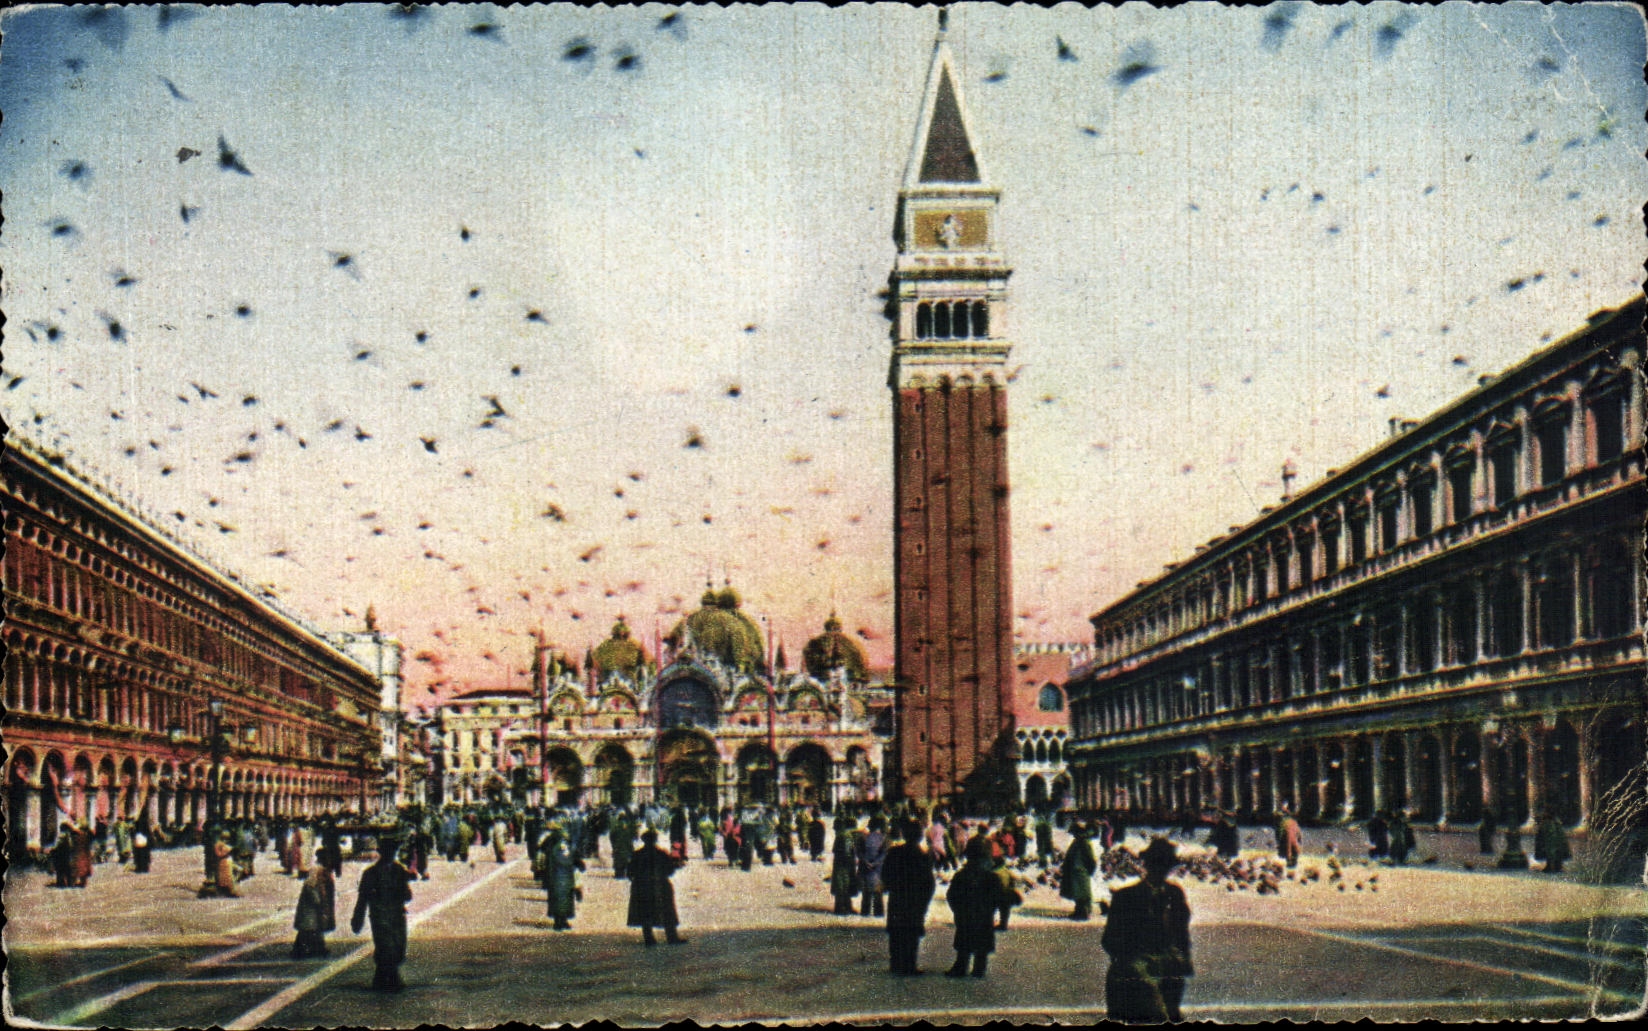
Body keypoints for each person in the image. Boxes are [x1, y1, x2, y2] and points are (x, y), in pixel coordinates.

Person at [1102, 838, 1193, 1023]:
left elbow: (1182, 934)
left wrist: (1181, 959)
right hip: (1136, 969)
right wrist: (1133, 962)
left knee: (1170, 1014)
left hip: (1167, 967)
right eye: (1157, 865)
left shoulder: (1174, 894)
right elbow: (1110, 940)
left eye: (1166, 866)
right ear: (1148, 866)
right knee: (1153, 1015)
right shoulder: (1126, 897)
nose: (1162, 871)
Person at [351, 835, 414, 991]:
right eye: (388, 851)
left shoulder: (399, 870)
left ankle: (385, 978)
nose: (391, 854)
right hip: (380, 915)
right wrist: (357, 919)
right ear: (382, 852)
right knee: (385, 946)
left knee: (398, 946)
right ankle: (388, 979)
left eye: (392, 851)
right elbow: (362, 897)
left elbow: (408, 895)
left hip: (397, 915)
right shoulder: (370, 873)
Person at [945, 836, 1009, 978]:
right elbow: (1001, 899)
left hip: (966, 917)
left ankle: (961, 967)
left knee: (964, 944)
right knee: (981, 946)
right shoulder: (992, 877)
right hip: (984, 918)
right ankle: (978, 969)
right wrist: (997, 914)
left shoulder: (962, 876)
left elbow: (951, 895)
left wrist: (958, 910)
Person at [882, 817, 935, 976]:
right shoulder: (922, 856)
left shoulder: (894, 852)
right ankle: (909, 965)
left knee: (897, 932)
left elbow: (885, 875)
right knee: (911, 933)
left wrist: (892, 887)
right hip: (915, 901)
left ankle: (895, 963)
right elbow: (928, 883)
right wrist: (925, 901)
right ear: (920, 836)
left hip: (897, 899)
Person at [626, 829, 686, 945]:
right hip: (660, 885)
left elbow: (630, 872)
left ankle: (649, 939)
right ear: (655, 840)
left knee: (645, 912)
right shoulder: (661, 854)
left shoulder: (637, 855)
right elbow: (670, 870)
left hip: (642, 887)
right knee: (667, 912)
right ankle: (671, 937)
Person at [292, 853, 337, 959]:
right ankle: (302, 950)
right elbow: (310, 885)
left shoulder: (324, 870)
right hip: (310, 905)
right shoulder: (316, 869)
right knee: (309, 927)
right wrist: (318, 900)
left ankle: (316, 948)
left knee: (314, 927)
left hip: (315, 905)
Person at [538, 828, 583, 930]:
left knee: (556, 901)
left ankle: (558, 922)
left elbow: (542, 851)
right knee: (566, 901)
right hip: (567, 878)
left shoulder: (550, 847)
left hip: (555, 878)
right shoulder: (569, 847)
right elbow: (577, 860)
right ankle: (563, 921)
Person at [1061, 822, 1098, 920]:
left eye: (1074, 832)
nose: (1073, 835)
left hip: (1081, 871)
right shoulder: (1078, 841)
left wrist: (1090, 870)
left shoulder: (1084, 842)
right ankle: (1079, 911)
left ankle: (1084, 913)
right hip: (1075, 871)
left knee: (1083, 893)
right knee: (1077, 893)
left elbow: (1090, 859)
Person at [857, 815, 889, 917]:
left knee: (866, 892)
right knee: (877, 892)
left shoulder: (863, 837)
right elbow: (884, 854)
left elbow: (859, 852)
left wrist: (866, 862)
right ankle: (878, 912)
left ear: (869, 826)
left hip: (865, 867)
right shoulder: (884, 838)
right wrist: (875, 863)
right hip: (878, 869)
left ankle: (865, 911)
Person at [830, 818, 860, 915]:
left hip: (842, 864)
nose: (834, 828)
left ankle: (840, 907)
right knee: (845, 885)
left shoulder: (843, 835)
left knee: (841, 885)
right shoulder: (845, 835)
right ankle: (847, 906)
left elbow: (843, 851)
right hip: (846, 864)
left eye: (835, 826)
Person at [610, 810, 635, 879]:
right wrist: (631, 848)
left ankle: (618, 873)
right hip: (625, 847)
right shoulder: (627, 827)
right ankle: (623, 873)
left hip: (617, 846)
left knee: (617, 860)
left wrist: (613, 844)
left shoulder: (616, 826)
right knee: (624, 860)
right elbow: (630, 838)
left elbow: (612, 836)